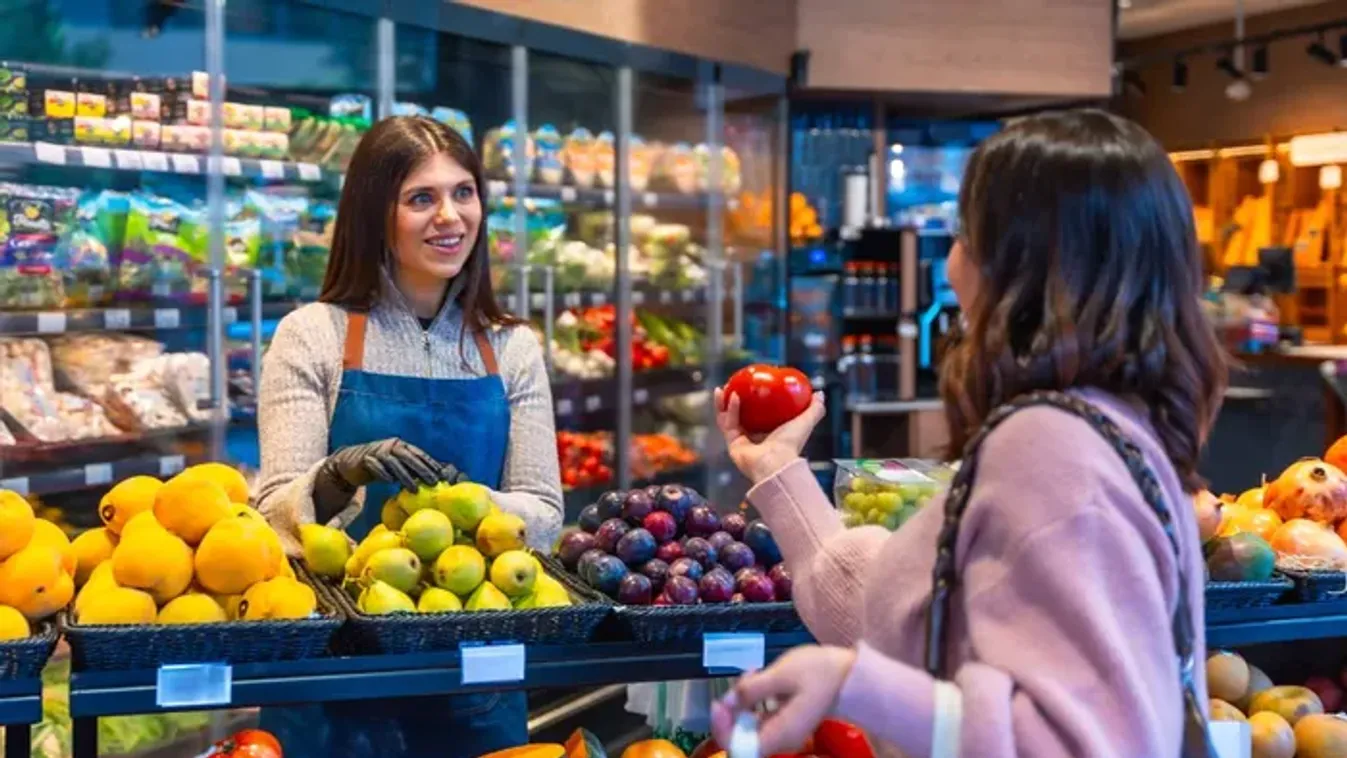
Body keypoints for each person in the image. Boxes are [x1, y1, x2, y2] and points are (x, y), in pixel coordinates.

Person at [710, 110, 1228, 758]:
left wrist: (852, 683)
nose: (950, 264)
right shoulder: (1117, 432)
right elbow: (907, 618)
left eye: (962, 233)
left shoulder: (1047, 447)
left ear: (1016, 263)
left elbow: (1076, 743)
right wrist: (779, 472)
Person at [255, 115, 563, 758]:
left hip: (474, 665)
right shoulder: (312, 336)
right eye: (421, 198)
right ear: (375, 214)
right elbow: (273, 519)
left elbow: (545, 512)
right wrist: (338, 477)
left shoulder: (511, 348)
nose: (450, 216)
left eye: (464, 193)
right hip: (334, 676)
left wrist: (465, 508)